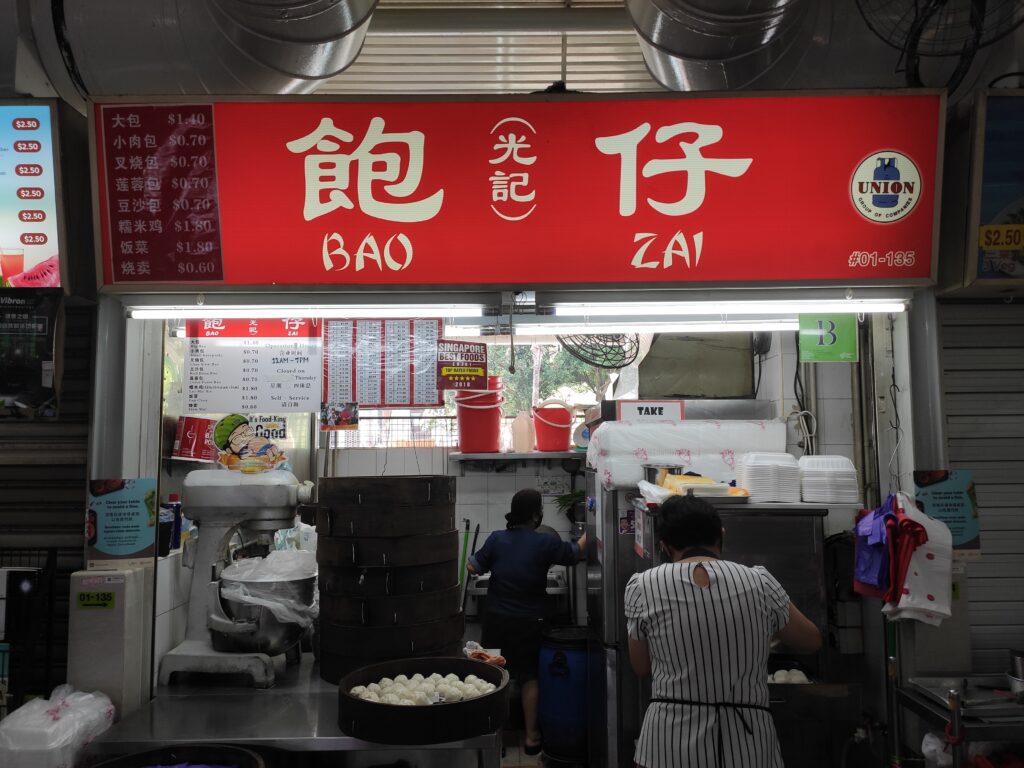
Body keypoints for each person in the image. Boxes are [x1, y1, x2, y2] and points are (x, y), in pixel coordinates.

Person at [624, 494, 821, 768]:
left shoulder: (642, 586)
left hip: (668, 746)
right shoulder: (759, 581)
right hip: (748, 747)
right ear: (722, 535)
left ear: (664, 547)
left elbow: (641, 666)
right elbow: (811, 641)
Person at [467, 488, 587, 755]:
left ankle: (494, 739)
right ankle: (532, 738)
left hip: (497, 620)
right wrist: (594, 524)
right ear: (535, 515)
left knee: (494, 676)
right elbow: (575, 553)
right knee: (530, 676)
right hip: (530, 621)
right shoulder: (544, 542)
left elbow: (473, 567)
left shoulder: (497, 539)